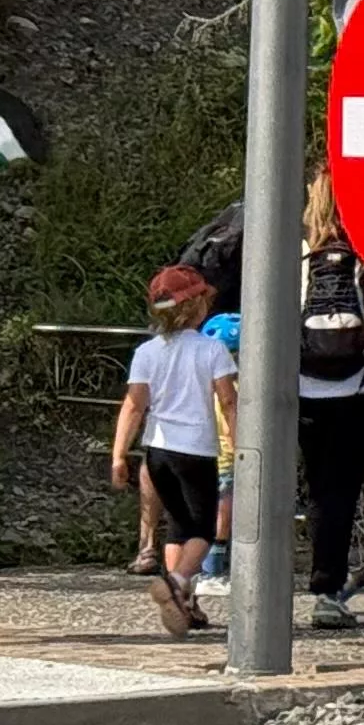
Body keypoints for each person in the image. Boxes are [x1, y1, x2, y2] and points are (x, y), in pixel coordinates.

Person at [292, 173, 364, 632]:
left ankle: (320, 584)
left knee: (319, 487)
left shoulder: (293, 250)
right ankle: (329, 594)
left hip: (306, 386)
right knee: (344, 488)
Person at [113, 265, 234, 636]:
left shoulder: (147, 352)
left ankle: (185, 605)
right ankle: (178, 581)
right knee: (203, 529)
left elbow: (133, 406)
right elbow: (228, 400)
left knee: (177, 526)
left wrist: (119, 454)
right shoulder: (212, 349)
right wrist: (242, 442)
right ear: (196, 306)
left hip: (157, 451)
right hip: (195, 451)